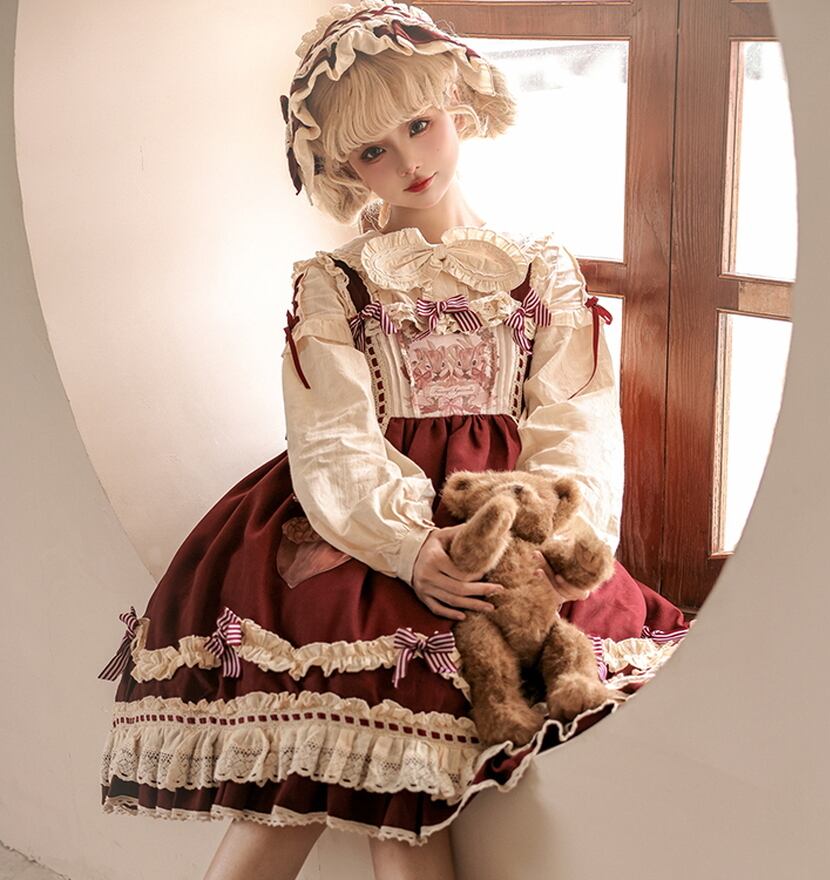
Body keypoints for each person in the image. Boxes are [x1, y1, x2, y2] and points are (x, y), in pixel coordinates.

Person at [97, 3, 689, 878]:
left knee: (390, 779)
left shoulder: (541, 270)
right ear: (341, 165)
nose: (410, 162)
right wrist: (412, 547)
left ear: (459, 105)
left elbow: (576, 421)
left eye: (419, 125)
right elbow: (332, 434)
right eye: (373, 151)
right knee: (337, 752)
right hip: (361, 535)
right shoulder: (334, 283)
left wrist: (546, 538)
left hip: (504, 527)